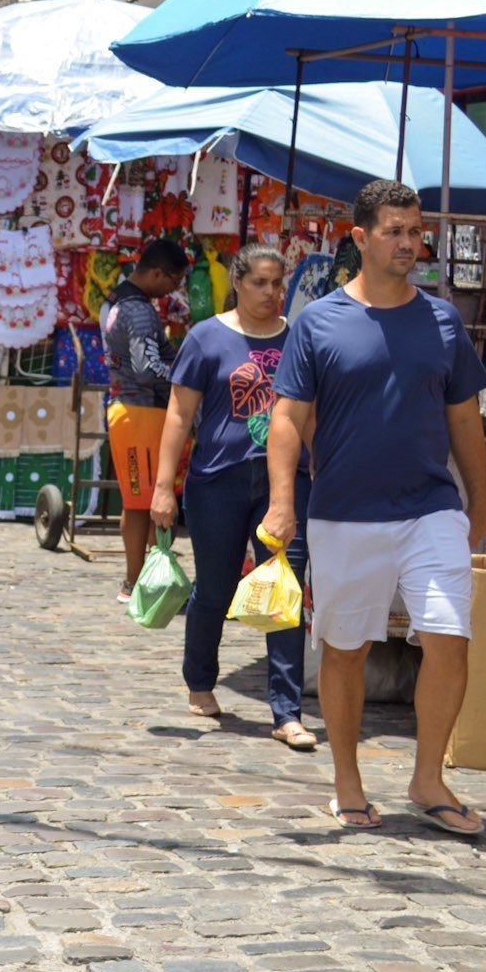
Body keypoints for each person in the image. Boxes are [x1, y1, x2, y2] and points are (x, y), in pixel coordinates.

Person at [264, 179, 486, 834]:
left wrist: (479, 500)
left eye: (415, 231)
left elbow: (465, 419)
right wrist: (283, 501)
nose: (408, 243)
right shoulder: (317, 323)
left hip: (430, 509)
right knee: (345, 650)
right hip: (343, 514)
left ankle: (429, 778)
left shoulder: (443, 320)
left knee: (449, 638)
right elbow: (287, 418)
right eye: (393, 231)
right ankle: (347, 778)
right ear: (360, 238)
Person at [150, 244, 317, 749]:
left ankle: (287, 711)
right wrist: (163, 486)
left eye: (278, 283)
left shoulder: (299, 338)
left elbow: (314, 413)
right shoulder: (206, 338)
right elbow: (179, 415)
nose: (272, 293)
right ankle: (200, 680)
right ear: (238, 284)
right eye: (261, 283)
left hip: (285, 481)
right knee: (216, 589)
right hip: (217, 479)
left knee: (286, 589)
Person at [100, 238, 189, 601]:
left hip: (130, 410)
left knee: (138, 502)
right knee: (146, 503)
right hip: (141, 411)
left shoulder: (117, 300)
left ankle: (138, 582)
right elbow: (146, 367)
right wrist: (186, 380)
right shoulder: (138, 311)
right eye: (173, 281)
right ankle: (139, 584)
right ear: (156, 273)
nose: (173, 290)